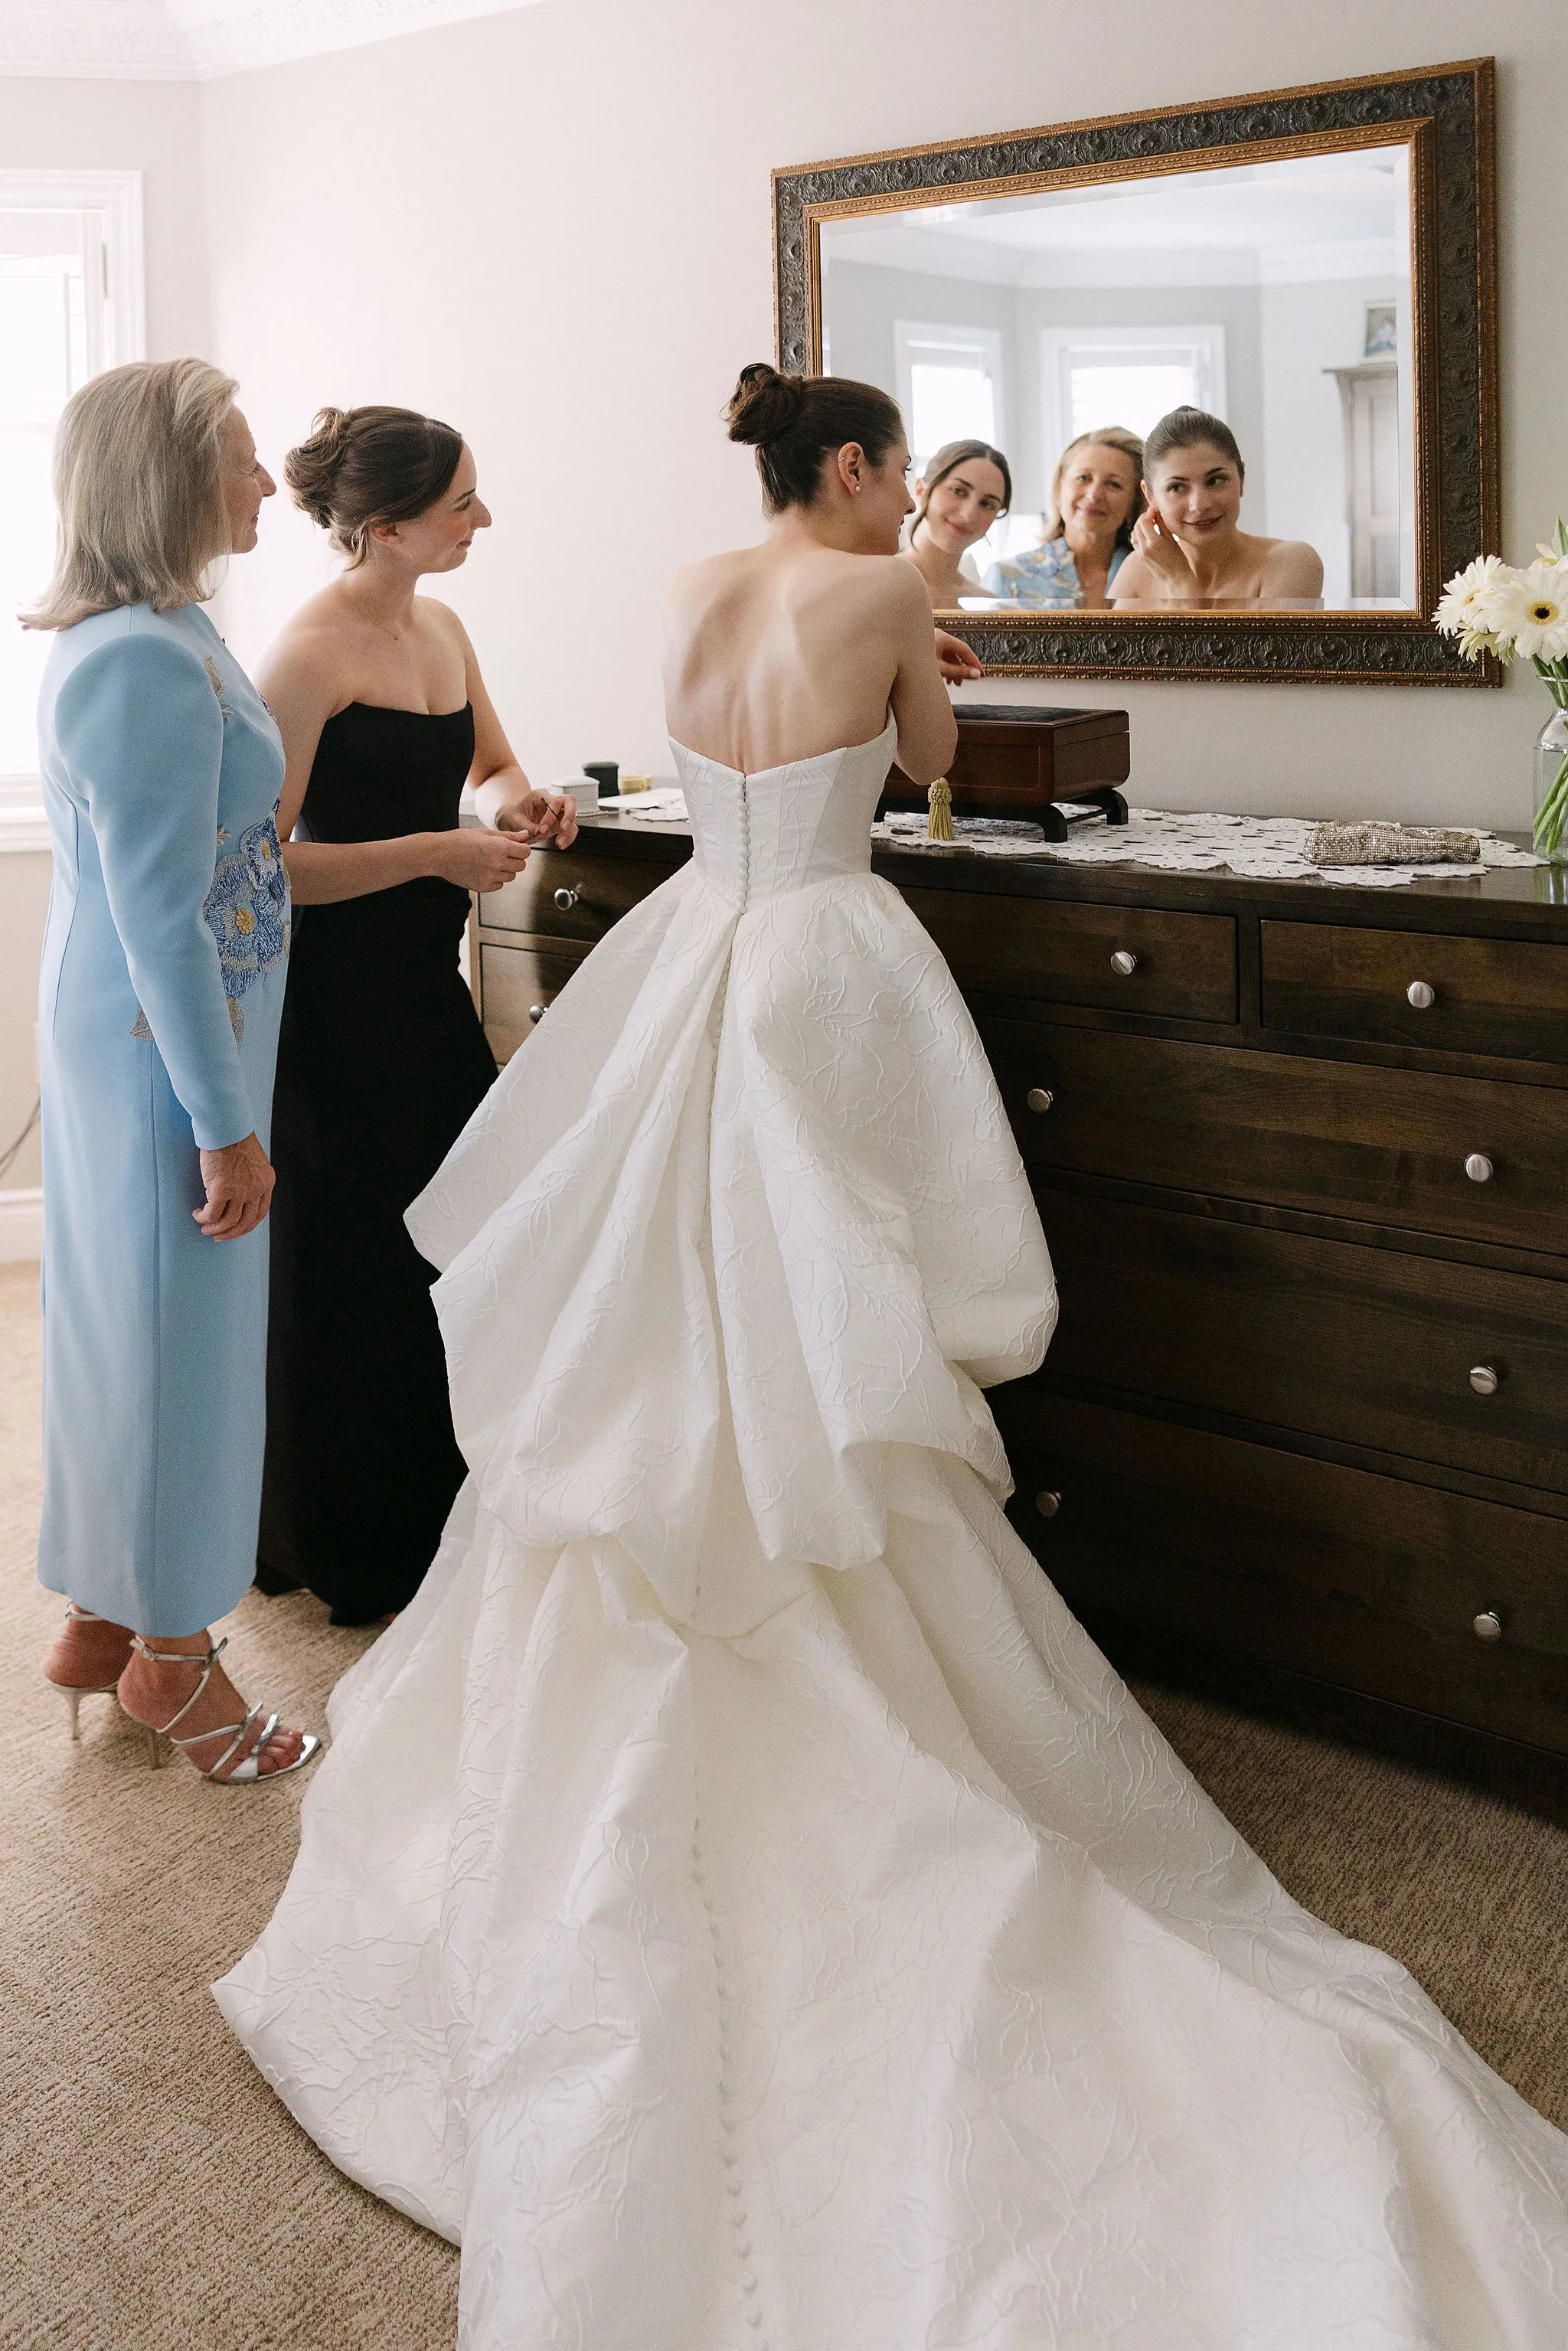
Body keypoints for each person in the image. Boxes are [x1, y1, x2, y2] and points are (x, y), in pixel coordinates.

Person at [218, 364, 1568, 2345]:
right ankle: (826, 1574)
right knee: (821, 1284)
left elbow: (707, 750)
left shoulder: (689, 580)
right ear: (854, 467)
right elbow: (930, 763)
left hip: (697, 942)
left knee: (688, 1292)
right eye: (902, 474)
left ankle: (715, 1538)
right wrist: (921, 659)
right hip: (825, 951)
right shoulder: (879, 591)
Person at [31, 358, 316, 1783]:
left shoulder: (158, 630)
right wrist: (226, 1124)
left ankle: (101, 1616)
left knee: (119, 1330)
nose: (267, 484)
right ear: (170, 478)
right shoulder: (142, 658)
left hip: (142, 1035)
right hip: (164, 1056)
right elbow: (161, 916)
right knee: (177, 1358)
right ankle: (177, 1662)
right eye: (243, 461)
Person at [253, 406, 577, 1626]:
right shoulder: (305, 656)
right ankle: (354, 1534)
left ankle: (447, 1508)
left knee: (453, 1240)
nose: (484, 518)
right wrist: (437, 852)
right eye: (462, 504)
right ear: (385, 527)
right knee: (360, 1265)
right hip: (336, 1004)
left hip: (426, 987)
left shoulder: (442, 626)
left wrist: (520, 803)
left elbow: (491, 766)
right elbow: (260, 868)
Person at [1112, 404, 1323, 602]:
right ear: (1150, 496)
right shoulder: (1136, 571)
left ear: (1241, 478)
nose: (1200, 505)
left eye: (1215, 481)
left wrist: (1180, 581)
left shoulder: (1290, 562)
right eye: (1177, 487)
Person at [983, 426, 1142, 605]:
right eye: (1083, 478)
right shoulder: (1007, 577)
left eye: (1114, 484)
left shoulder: (1152, 577)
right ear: (1059, 487)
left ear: (1134, 502)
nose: (1094, 495)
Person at [899, 436, 1011, 610]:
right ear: (921, 490)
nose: (968, 515)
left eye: (987, 504)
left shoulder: (987, 604)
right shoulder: (876, 580)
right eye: (958, 491)